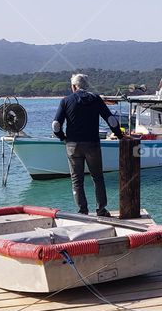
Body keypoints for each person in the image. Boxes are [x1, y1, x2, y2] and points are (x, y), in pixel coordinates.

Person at [53, 74, 124, 216]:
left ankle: (82, 211)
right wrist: (120, 135)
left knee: (77, 180)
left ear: (73, 86)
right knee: (97, 178)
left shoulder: (66, 101)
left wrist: (63, 137)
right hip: (92, 144)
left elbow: (56, 125)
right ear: (87, 86)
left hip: (73, 145)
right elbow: (111, 120)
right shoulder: (95, 99)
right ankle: (101, 210)